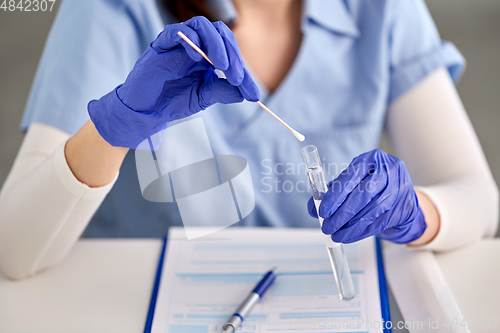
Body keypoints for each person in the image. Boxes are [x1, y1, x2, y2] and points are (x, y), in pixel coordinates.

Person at [0, 0, 497, 280]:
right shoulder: (113, 9)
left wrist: (415, 213)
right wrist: (116, 126)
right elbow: (13, 253)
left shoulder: (381, 10)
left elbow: (477, 198)